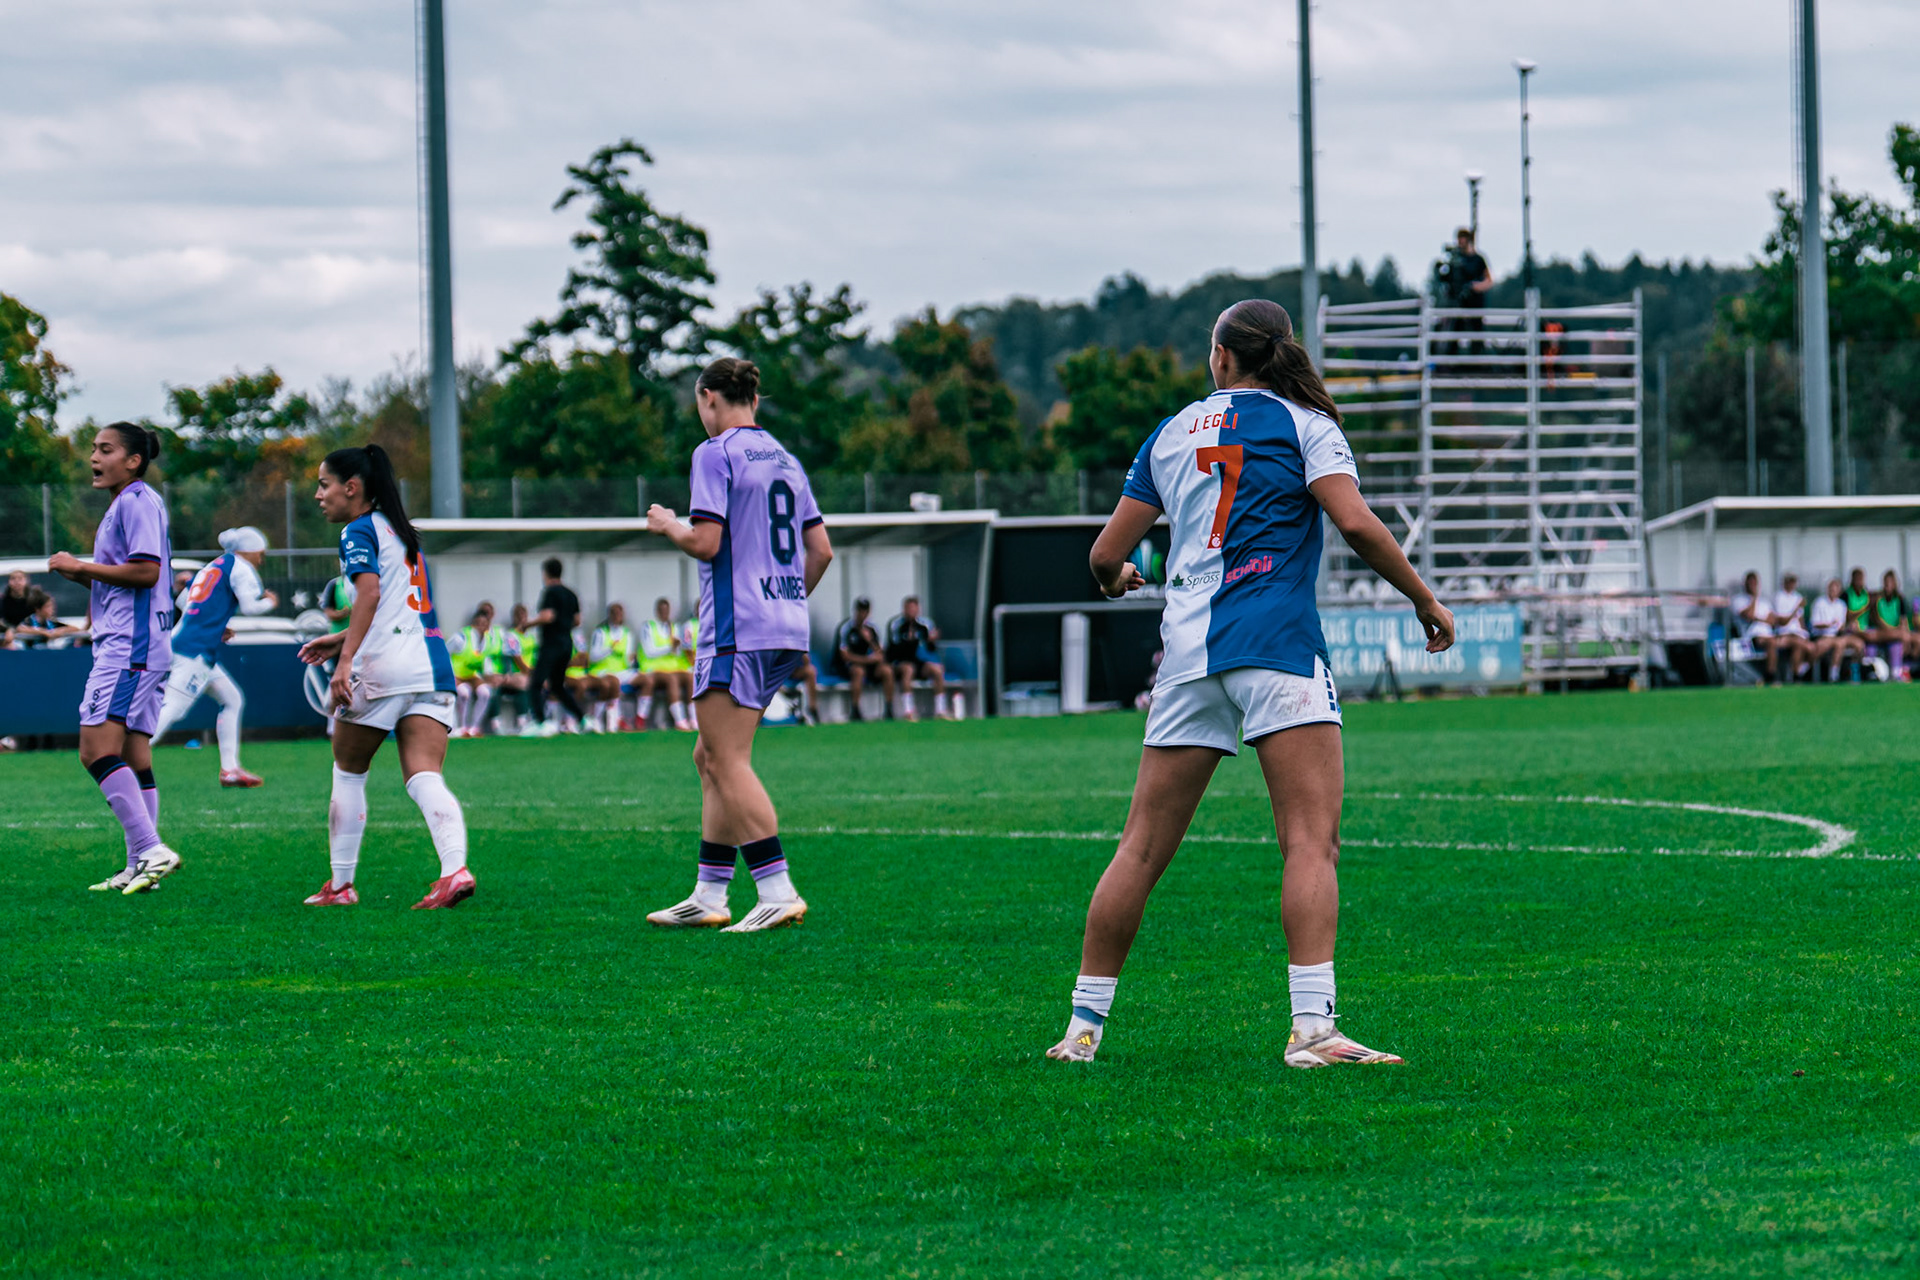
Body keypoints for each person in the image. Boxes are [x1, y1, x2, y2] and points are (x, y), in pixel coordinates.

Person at [1045, 299, 1456, 1069]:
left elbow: (1105, 555)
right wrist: (1424, 598)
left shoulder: (1171, 432)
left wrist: (1121, 578)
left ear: (1223, 357)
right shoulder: (1307, 426)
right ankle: (1312, 1031)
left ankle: (1082, 1031)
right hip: (1274, 644)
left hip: (1189, 654)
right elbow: (1358, 525)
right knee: (1309, 843)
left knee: (1138, 850)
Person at [643, 356, 834, 932]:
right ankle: (709, 893)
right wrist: (786, 600)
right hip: (783, 624)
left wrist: (667, 523)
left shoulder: (715, 452)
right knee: (709, 756)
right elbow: (821, 550)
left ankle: (776, 888)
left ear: (708, 398)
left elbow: (705, 542)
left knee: (726, 758)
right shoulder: (785, 459)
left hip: (736, 627)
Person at [295, 443, 473, 910]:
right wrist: (338, 643)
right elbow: (396, 605)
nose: (319, 495)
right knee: (424, 775)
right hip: (430, 665)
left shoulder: (357, 530)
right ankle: (454, 869)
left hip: (384, 667)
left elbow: (369, 595)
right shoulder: (402, 532)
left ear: (351, 488)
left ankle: (340, 885)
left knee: (348, 771)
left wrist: (347, 658)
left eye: (324, 484)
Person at [46, 422, 181, 895]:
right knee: (133, 754)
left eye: (106, 449)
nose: (94, 457)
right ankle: (140, 866)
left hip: (131, 648)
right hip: (140, 644)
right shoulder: (125, 505)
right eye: (93, 449)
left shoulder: (136, 500)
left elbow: (146, 571)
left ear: (134, 461)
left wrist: (81, 566)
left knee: (95, 750)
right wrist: (83, 576)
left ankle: (151, 848)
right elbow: (126, 577)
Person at [152, 526, 280, 785]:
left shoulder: (214, 565)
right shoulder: (241, 567)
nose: (261, 559)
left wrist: (217, 626)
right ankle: (126, 757)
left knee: (232, 699)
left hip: (186, 641)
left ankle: (230, 770)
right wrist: (270, 602)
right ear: (250, 550)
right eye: (260, 553)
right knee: (174, 707)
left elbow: (185, 602)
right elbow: (251, 607)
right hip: (195, 650)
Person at [523, 557, 586, 736]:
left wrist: (527, 625)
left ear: (546, 573)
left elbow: (547, 616)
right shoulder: (571, 594)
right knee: (557, 686)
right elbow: (577, 620)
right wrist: (563, 626)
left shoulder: (550, 592)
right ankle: (582, 719)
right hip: (567, 643)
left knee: (536, 683)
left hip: (552, 643)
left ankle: (540, 722)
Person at [885, 596, 953, 720]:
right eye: (909, 608)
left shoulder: (925, 624)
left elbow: (931, 649)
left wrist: (931, 641)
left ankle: (940, 710)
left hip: (919, 663)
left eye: (914, 609)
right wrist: (909, 641)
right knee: (908, 669)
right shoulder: (896, 625)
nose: (912, 611)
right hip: (901, 663)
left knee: (937, 670)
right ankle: (909, 711)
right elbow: (892, 651)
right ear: (904, 610)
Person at [1730, 571, 1801, 683]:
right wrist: (1754, 599)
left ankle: (1796, 677)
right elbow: (1748, 615)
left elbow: (1773, 620)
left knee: (1797, 643)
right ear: (1745, 584)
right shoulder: (1738, 600)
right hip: (1752, 637)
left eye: (1755, 583)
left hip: (1769, 635)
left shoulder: (1764, 602)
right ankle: (1770, 676)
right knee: (1772, 643)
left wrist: (1758, 618)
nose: (1753, 586)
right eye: (1750, 583)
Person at [636, 597, 693, 731]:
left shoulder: (675, 627)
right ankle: (680, 720)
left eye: (666, 610)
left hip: (673, 668)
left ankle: (694, 719)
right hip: (652, 668)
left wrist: (678, 648)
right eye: (661, 610)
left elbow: (678, 652)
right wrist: (670, 647)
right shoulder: (648, 626)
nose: (664, 613)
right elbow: (650, 651)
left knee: (691, 678)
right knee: (671, 679)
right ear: (656, 611)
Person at [832, 596, 894, 720]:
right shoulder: (846, 628)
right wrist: (867, 660)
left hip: (869, 664)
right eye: (860, 610)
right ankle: (855, 709)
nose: (862, 614)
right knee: (858, 671)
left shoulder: (872, 628)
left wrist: (869, 640)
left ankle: (889, 708)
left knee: (887, 671)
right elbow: (845, 655)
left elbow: (880, 654)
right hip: (849, 666)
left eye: (865, 611)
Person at [450, 601, 505, 738]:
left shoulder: (489, 640)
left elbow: (486, 663)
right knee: (464, 693)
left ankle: (474, 727)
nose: (481, 627)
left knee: (485, 692)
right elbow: (444, 653)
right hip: (455, 675)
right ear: (473, 624)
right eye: (478, 624)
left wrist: (491, 677)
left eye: (484, 624)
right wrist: (449, 676)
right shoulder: (461, 637)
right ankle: (461, 727)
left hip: (471, 675)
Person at [586, 602, 636, 732]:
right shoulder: (600, 633)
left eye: (619, 613)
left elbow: (627, 658)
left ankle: (620, 720)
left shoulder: (626, 633)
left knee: (646, 680)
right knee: (612, 683)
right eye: (614, 613)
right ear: (609, 615)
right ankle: (599, 719)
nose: (617, 616)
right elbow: (593, 656)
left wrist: (631, 660)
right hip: (602, 671)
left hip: (622, 671)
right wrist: (610, 648)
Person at [1860, 569, 1911, 682]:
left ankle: (1896, 672)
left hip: (1894, 636)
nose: (1887, 585)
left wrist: (1903, 634)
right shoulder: (1877, 598)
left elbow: (1903, 621)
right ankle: (1870, 672)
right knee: (1870, 646)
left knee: (1896, 645)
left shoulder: (1900, 599)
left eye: (1889, 582)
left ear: (1894, 584)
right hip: (1880, 633)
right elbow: (1877, 620)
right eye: (1885, 582)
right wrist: (1894, 631)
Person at [1808, 578, 1863, 682]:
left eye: (1836, 589)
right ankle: (1834, 675)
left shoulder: (1841, 605)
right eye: (1831, 589)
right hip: (1823, 635)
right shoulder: (1819, 603)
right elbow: (1814, 624)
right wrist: (1828, 625)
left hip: (1837, 635)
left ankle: (1854, 672)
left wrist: (1849, 626)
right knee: (1840, 643)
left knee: (1859, 644)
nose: (1833, 591)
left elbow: (1841, 627)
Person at [1767, 573, 1813, 683]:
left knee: (1805, 648)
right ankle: (1796, 675)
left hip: (1797, 634)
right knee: (1804, 645)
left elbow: (1800, 620)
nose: (1792, 584)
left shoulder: (1797, 597)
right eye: (1789, 581)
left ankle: (1797, 674)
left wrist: (1805, 632)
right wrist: (1797, 607)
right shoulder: (1778, 597)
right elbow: (1783, 622)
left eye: (1793, 582)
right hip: (1784, 633)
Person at [13, 590, 84, 646]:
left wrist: (61, 631)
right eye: (48, 606)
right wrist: (42, 632)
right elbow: (19, 628)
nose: (52, 609)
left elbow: (75, 628)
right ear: (38, 609)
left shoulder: (51, 622)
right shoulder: (29, 620)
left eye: (52, 606)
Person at [4, 568, 39, 638]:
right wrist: (10, 629)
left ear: (26, 581)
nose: (17, 582)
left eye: (20, 579)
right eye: (13, 579)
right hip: (9, 637)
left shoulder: (34, 600)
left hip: (33, 635)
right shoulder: (3, 601)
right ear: (9, 582)